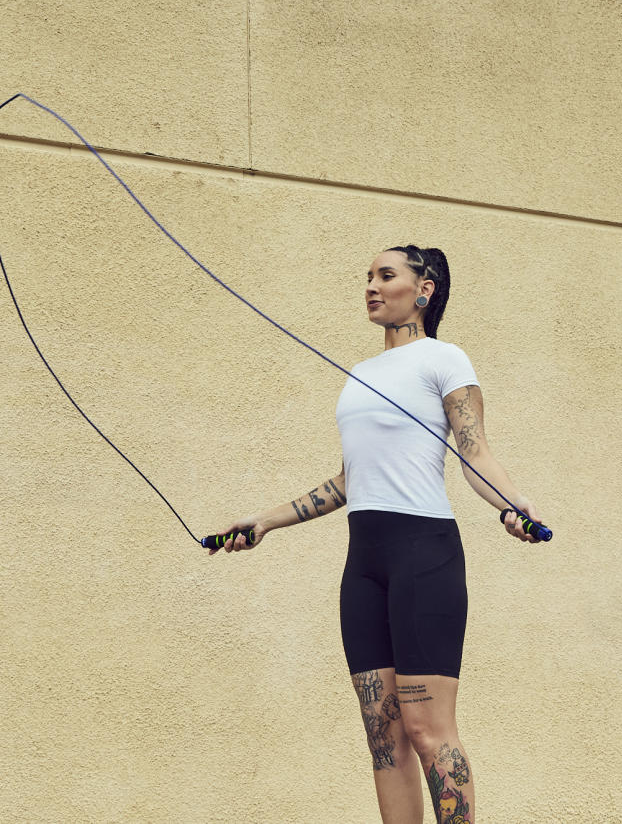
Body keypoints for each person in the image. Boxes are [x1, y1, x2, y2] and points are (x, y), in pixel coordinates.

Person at [214, 245, 544, 824]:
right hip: (364, 563)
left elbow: (473, 451)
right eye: (366, 276)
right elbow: (350, 480)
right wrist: (265, 519)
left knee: (427, 729)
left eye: (385, 275)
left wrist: (514, 506)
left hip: (423, 557)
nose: (370, 285)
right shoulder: (360, 375)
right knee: (383, 736)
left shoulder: (444, 359)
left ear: (425, 289)